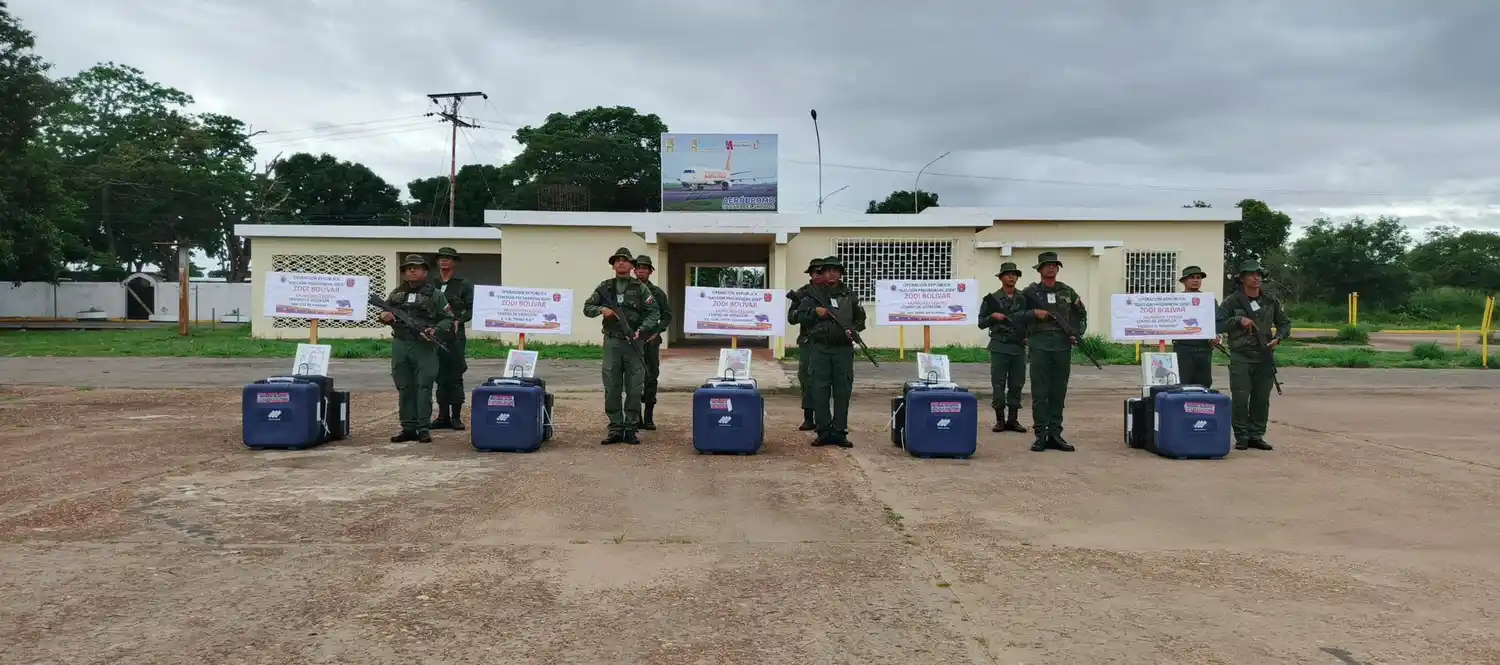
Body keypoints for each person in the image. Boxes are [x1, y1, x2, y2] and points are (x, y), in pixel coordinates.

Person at [582, 247, 662, 445]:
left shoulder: (640, 288)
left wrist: (642, 329)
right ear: (613, 266)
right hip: (612, 342)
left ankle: (631, 427)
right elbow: (587, 307)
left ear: (631, 265)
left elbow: (654, 312)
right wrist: (602, 310)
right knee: (612, 386)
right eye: (617, 260)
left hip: (634, 342)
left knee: (635, 387)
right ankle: (616, 428)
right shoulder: (605, 287)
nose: (620, 263)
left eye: (624, 260)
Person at [790, 255, 865, 448]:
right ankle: (823, 431)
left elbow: (860, 319)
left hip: (843, 349)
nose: (831, 273)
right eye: (827, 270)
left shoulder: (849, 295)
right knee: (819, 389)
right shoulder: (812, 294)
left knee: (842, 390)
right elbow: (799, 317)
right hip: (819, 347)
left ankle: (839, 431)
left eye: (835, 270)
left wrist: (853, 330)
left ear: (841, 274)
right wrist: (815, 312)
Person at [379, 254, 454, 443]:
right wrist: (384, 316)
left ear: (425, 272)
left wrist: (434, 330)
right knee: (404, 386)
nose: (411, 270)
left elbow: (448, 318)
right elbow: (384, 312)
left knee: (423, 386)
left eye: (416, 267)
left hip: (424, 346)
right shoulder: (396, 294)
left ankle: (423, 427)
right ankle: (408, 427)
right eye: (408, 268)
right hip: (401, 344)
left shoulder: (435, 294)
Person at [1217, 259, 1291, 451]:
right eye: (1251, 274)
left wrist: (1278, 338)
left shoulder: (1270, 301)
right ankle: (1241, 437)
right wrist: (1237, 320)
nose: (1256, 278)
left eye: (1259, 274)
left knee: (1261, 399)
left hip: (1264, 355)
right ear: (1242, 278)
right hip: (1241, 356)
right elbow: (1217, 324)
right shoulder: (1232, 301)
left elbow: (1284, 323)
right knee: (1240, 399)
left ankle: (1256, 435)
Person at [1020, 251, 1087, 452]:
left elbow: (1081, 314)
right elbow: (1016, 316)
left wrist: (1076, 333)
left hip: (1061, 346)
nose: (1051, 268)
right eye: (1047, 265)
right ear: (1040, 269)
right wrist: (1033, 313)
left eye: (1054, 265)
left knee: (1058, 392)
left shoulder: (1067, 291)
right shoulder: (1029, 293)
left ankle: (1055, 434)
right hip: (1039, 346)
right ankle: (1041, 435)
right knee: (1040, 393)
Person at [977, 261, 1034, 433]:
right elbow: (981, 323)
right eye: (1008, 274)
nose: (1011, 277)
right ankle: (1000, 419)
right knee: (998, 383)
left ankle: (1013, 419)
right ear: (1001, 278)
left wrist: (1028, 336)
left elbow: (1031, 320)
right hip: (1000, 346)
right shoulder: (992, 299)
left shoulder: (1024, 298)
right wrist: (993, 317)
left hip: (1018, 346)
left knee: (1016, 384)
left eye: (1014, 274)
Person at [427, 246, 474, 431]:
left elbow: (471, 308)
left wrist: (459, 320)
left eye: (448, 258)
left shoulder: (463, 284)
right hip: (436, 334)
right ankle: (442, 416)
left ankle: (456, 417)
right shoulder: (431, 283)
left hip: (455, 335)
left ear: (454, 262)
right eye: (441, 257)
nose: (444, 260)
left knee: (455, 374)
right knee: (439, 375)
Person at [633, 254, 671, 430]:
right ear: (634, 270)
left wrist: (657, 332)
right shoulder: (628, 291)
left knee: (651, 377)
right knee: (633, 378)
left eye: (645, 268)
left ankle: (648, 417)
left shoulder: (657, 293)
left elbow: (667, 316)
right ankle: (635, 417)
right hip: (632, 341)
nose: (641, 271)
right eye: (638, 268)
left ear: (650, 272)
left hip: (651, 341)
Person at [788, 257, 826, 431]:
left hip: (828, 342)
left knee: (825, 381)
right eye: (816, 272)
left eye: (822, 272)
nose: (819, 275)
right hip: (808, 342)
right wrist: (812, 313)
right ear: (810, 274)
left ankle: (825, 419)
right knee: (807, 379)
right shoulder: (802, 293)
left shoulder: (832, 293)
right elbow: (792, 317)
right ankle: (809, 417)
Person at [1171, 265, 1219, 389]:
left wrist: (1218, 335)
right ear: (1184, 281)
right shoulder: (1176, 300)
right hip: (1183, 348)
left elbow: (1217, 320)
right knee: (1183, 383)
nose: (1196, 280)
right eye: (1192, 277)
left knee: (1204, 384)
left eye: (1198, 277)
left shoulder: (1209, 300)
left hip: (1204, 348)